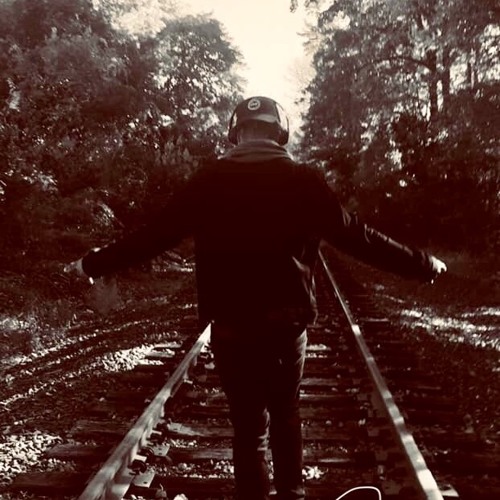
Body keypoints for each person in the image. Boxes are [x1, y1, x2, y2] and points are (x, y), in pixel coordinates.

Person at [66, 96, 447, 500]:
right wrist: (422, 264)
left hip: (232, 327)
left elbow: (154, 236)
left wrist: (93, 263)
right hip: (286, 325)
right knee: (286, 415)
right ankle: (292, 494)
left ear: (236, 133)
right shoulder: (303, 180)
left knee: (248, 428)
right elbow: (357, 236)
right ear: (280, 133)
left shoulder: (209, 180)